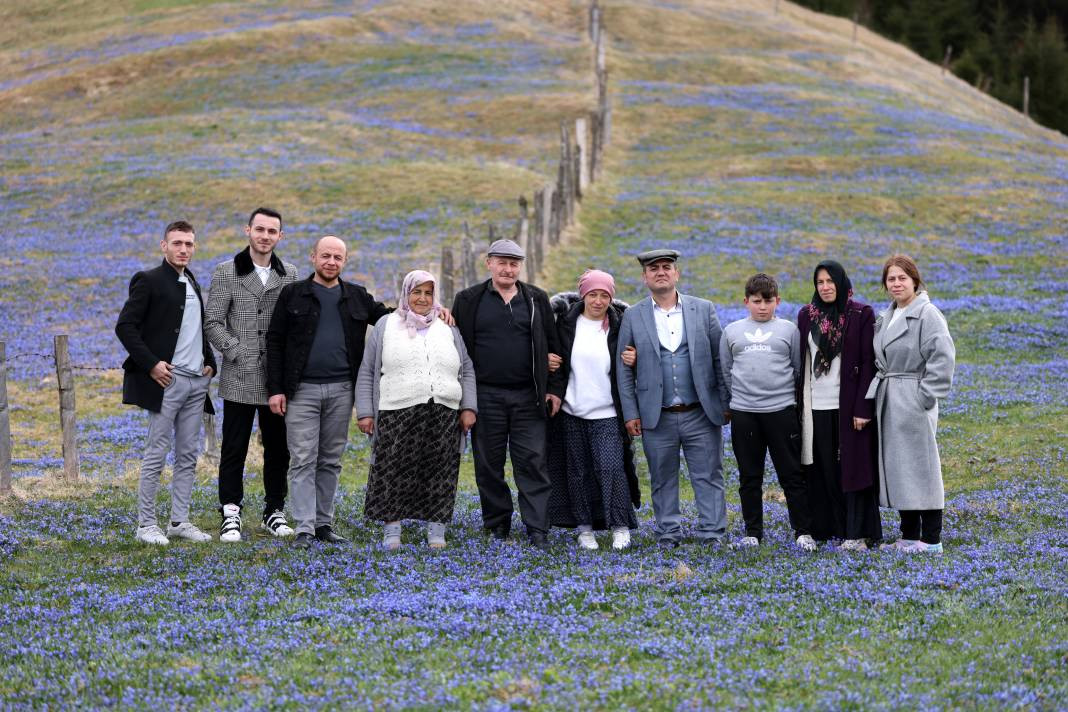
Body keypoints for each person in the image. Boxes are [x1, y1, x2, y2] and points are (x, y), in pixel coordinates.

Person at [266, 236, 390, 550]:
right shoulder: (293, 294)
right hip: (301, 390)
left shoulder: (357, 296)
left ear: (344, 262)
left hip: (342, 390)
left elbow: (390, 319)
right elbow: (275, 343)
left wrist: (431, 310)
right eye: (325, 256)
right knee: (303, 459)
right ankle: (304, 528)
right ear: (313, 258)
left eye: (337, 257)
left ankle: (324, 524)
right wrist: (276, 389)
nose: (331, 262)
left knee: (330, 460)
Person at [452, 239, 564, 551]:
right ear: (488, 263)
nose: (507, 269)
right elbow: (456, 345)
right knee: (488, 465)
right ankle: (497, 525)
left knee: (532, 463)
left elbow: (554, 348)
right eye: (501, 262)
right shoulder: (469, 299)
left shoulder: (536, 299)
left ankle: (537, 529)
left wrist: (553, 389)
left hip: (529, 396)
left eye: (514, 263)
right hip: (486, 396)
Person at [617, 249, 731, 548]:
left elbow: (720, 360)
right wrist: (631, 412)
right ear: (645, 277)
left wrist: (724, 403)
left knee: (708, 474)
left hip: (700, 411)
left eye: (667, 267)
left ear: (676, 273)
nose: (661, 272)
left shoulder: (703, 309)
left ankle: (712, 533)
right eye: (653, 269)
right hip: (657, 413)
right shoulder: (633, 315)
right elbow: (623, 370)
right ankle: (668, 533)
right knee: (662, 477)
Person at [356, 270, 477, 550]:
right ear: (405, 294)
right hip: (396, 409)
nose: (422, 298)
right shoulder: (386, 325)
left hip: (444, 410)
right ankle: (392, 530)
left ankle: (436, 531)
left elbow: (467, 369)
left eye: (428, 293)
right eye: (416, 292)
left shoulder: (448, 328)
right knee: (393, 469)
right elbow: (367, 371)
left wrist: (468, 407)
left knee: (440, 470)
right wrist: (365, 411)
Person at [116, 220, 217, 545]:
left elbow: (194, 329)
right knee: (156, 453)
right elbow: (125, 327)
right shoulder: (147, 280)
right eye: (177, 243)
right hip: (166, 382)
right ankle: (146, 525)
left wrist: (210, 362)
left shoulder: (192, 281)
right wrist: (152, 365)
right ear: (164, 246)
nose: (183, 249)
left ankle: (179, 521)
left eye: (188, 243)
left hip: (195, 383)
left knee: (187, 454)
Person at [205, 207, 298, 543]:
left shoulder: (290, 274)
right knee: (234, 447)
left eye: (272, 231)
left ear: (280, 236)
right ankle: (231, 511)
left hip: (276, 380)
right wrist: (236, 351)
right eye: (260, 229)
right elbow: (213, 322)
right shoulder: (227, 272)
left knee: (278, 448)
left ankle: (275, 510)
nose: (265, 236)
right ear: (248, 231)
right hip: (240, 375)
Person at [720, 273, 816, 551]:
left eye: (768, 301)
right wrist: (737, 399)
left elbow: (798, 369)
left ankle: (803, 531)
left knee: (792, 475)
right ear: (746, 302)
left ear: (778, 301)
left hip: (781, 411)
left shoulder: (789, 330)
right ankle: (753, 532)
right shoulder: (732, 331)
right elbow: (726, 371)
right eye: (756, 301)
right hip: (744, 413)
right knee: (750, 477)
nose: (762, 306)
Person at [547, 270, 640, 551]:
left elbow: (644, 357)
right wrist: (547, 361)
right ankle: (584, 528)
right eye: (592, 294)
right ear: (583, 295)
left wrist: (637, 358)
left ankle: (620, 526)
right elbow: (549, 353)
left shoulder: (621, 325)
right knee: (578, 472)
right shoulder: (564, 323)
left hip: (609, 411)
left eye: (604, 295)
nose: (598, 301)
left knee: (611, 468)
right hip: (572, 411)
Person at [868, 254, 955, 554]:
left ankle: (931, 539)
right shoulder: (886, 316)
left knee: (922, 467)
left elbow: (942, 358)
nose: (896, 283)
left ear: (915, 281)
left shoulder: (928, 314)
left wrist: (925, 397)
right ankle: (908, 535)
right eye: (891, 279)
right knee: (900, 466)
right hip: (890, 397)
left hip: (913, 396)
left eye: (902, 278)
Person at [797, 260, 882, 550]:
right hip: (816, 405)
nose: (825, 287)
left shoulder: (861, 314)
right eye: (820, 282)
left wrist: (863, 408)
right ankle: (830, 528)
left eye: (830, 281)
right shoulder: (806, 316)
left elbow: (869, 365)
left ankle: (858, 532)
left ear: (841, 282)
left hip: (848, 407)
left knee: (853, 468)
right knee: (823, 469)